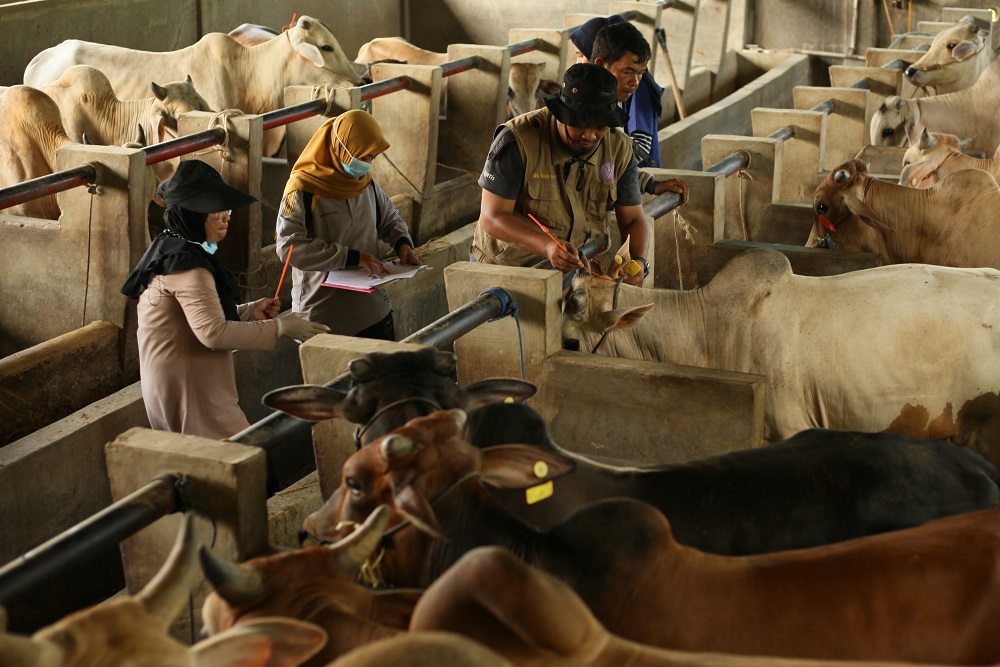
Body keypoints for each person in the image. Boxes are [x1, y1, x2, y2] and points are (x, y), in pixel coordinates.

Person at [122, 159, 329, 440]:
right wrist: (282, 327)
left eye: (226, 209)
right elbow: (212, 332)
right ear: (193, 215)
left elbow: (192, 317)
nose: (226, 217)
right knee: (240, 462)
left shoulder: (169, 249)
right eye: (216, 211)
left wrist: (248, 312)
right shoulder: (190, 268)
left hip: (173, 376)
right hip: (191, 386)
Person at [472, 63, 686, 285]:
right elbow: (493, 217)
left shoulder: (619, 149)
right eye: (580, 125)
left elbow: (632, 218)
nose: (590, 136)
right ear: (561, 114)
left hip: (575, 269)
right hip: (509, 270)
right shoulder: (518, 140)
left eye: (600, 127)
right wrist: (546, 245)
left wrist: (638, 262)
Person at [275, 110, 420, 341]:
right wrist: (353, 258)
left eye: (373, 157)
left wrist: (402, 243)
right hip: (323, 315)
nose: (368, 163)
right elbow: (289, 247)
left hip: (372, 308)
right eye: (364, 157)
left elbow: (389, 217)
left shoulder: (365, 183)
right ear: (341, 148)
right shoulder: (303, 189)